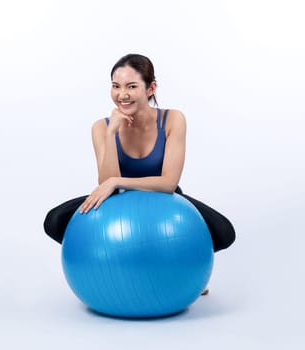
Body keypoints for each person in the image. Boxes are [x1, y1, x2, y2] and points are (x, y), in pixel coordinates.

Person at [43, 53, 235, 254]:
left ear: (151, 88)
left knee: (223, 232)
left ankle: (180, 279)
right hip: (117, 202)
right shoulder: (101, 127)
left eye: (131, 86)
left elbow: (169, 183)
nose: (122, 94)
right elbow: (107, 183)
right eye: (116, 86)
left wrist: (119, 181)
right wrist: (111, 134)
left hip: (164, 200)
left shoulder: (172, 120)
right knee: (55, 221)